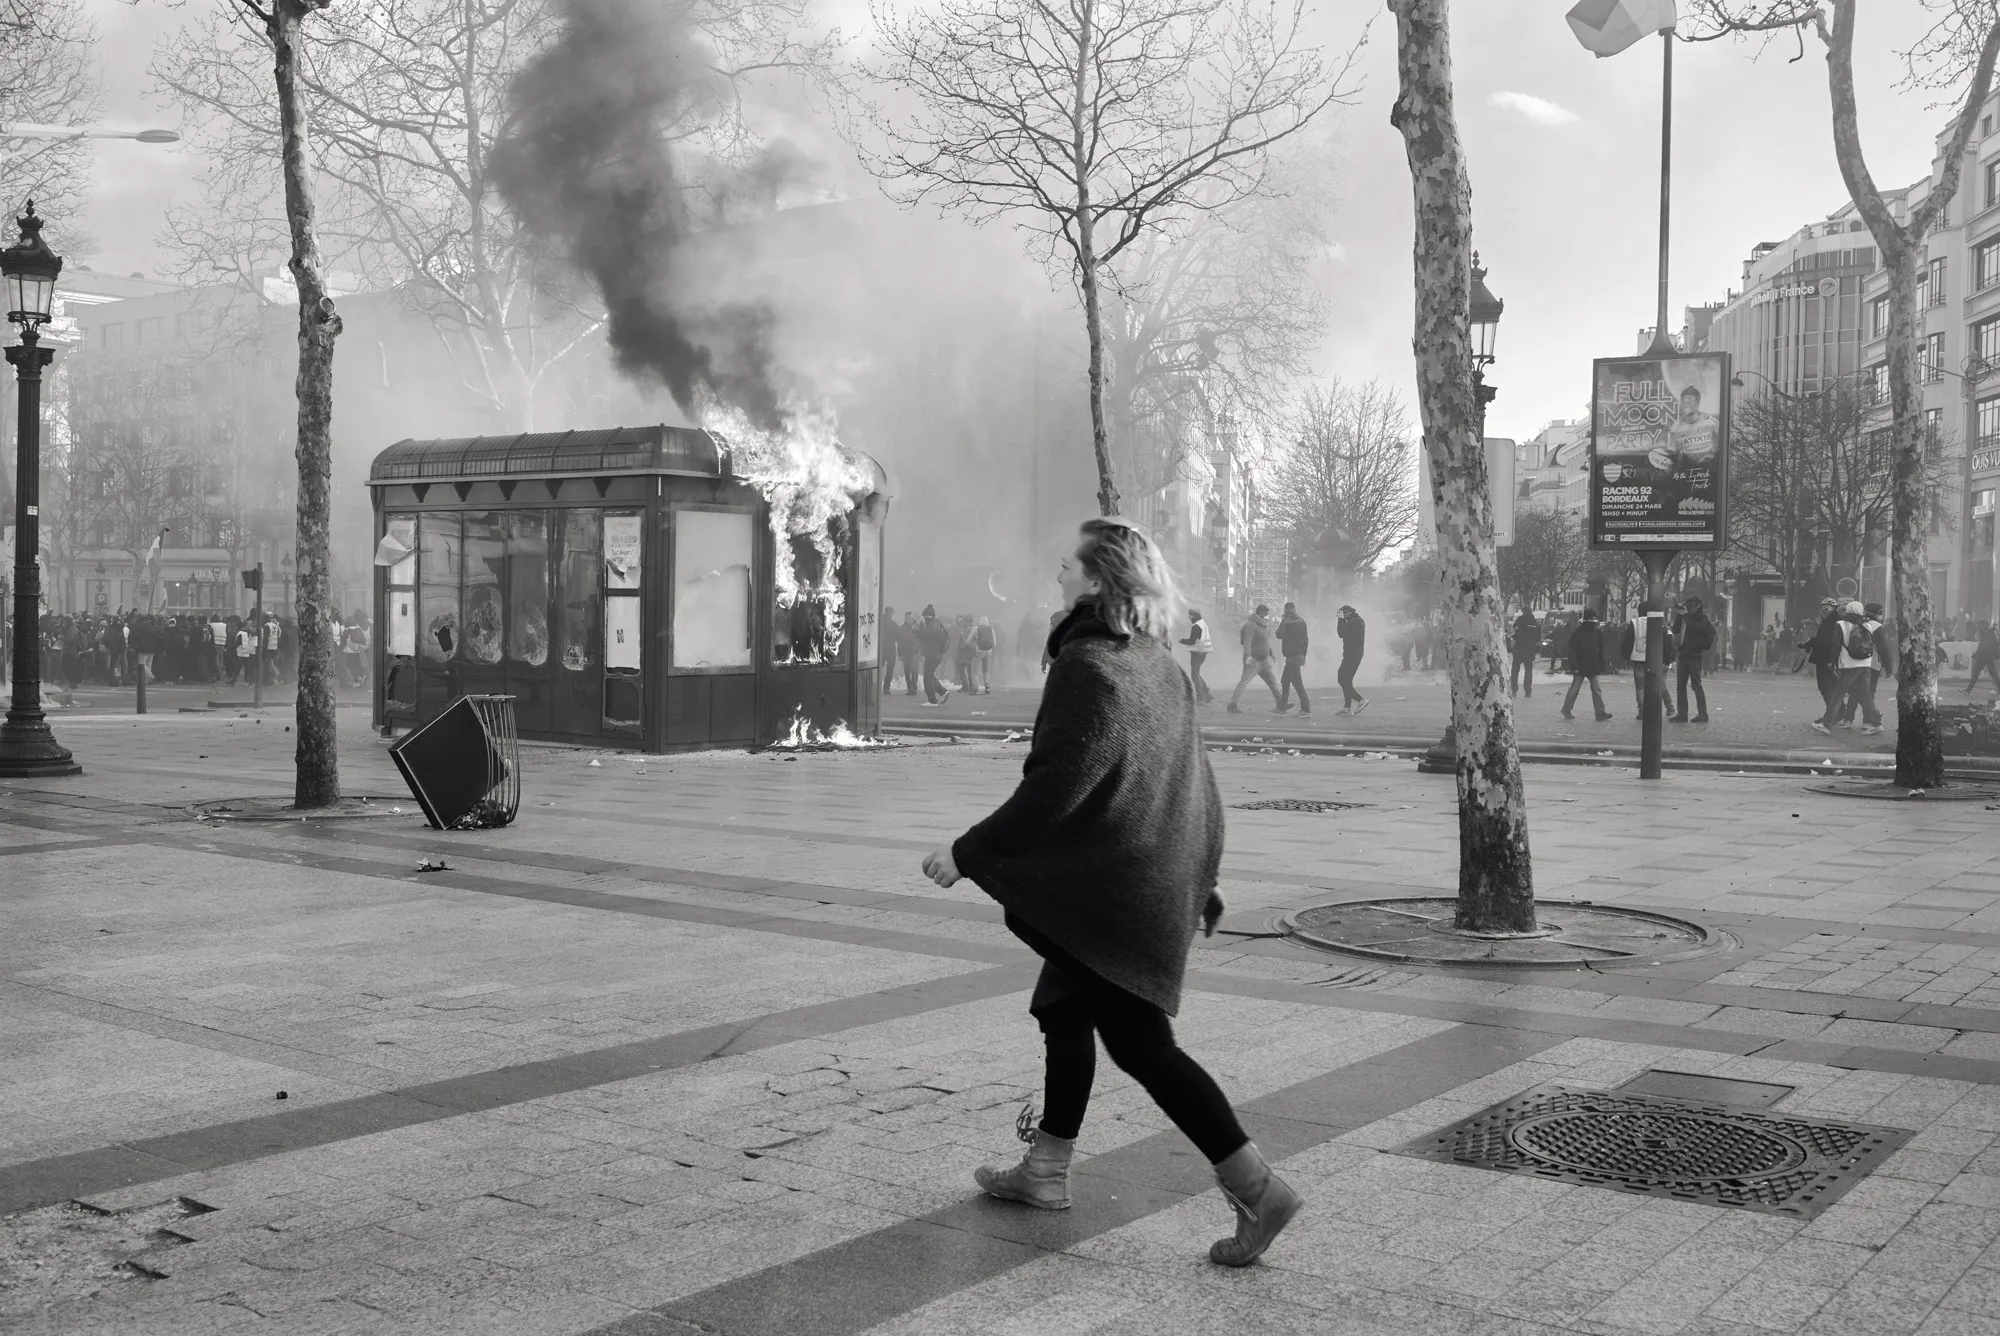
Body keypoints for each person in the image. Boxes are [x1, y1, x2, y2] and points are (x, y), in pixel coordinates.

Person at [922, 517, 1300, 1268]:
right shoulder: (1159, 663)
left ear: (1096, 581)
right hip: (1133, 880)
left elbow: (1060, 783)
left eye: (1068, 564)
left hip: (1111, 890)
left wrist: (967, 853)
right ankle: (1045, 1171)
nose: (1057, 572)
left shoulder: (1089, 664)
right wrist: (1204, 873)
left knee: (1141, 1044)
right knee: (1065, 1011)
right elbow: (1197, 783)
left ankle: (1258, 1189)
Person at [1825, 600, 1882, 734]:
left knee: (1839, 693)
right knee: (1866, 695)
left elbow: (1835, 645)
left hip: (1850, 665)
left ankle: (1826, 723)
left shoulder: (1841, 624)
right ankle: (1876, 723)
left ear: (1848, 610)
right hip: (1866, 665)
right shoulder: (1867, 625)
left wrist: (1832, 662)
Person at [1618, 611, 1678, 719]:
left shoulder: (1635, 622)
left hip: (1638, 658)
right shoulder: (1661, 623)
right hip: (1656, 658)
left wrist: (1626, 656)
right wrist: (1667, 660)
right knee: (1660, 684)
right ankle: (1669, 707)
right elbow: (1667, 642)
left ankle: (1642, 710)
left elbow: (1628, 640)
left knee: (1640, 686)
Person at [1560, 608, 1615, 722]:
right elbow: (1573, 650)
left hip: (1585, 665)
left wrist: (1574, 666)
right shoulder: (1589, 632)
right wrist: (1574, 665)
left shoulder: (1583, 632)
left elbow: (1599, 649)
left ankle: (1597, 712)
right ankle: (1597, 712)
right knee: (1586, 689)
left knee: (1582, 688)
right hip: (1585, 665)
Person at [1226, 604, 1281, 714]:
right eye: (1265, 614)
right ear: (1259, 614)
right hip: (1254, 660)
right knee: (1244, 682)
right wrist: (1248, 655)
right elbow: (1247, 641)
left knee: (1273, 682)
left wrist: (1271, 653)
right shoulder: (1251, 625)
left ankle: (1281, 704)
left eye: (1267, 614)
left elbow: (1264, 642)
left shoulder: (1264, 626)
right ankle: (1232, 705)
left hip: (1264, 661)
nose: (1267, 616)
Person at [1670, 596, 1715, 724]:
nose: (1688, 608)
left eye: (1690, 605)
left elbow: (1696, 628)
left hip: (1695, 656)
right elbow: (1675, 630)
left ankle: (1702, 713)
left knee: (1696, 685)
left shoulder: (1702, 618)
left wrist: (1685, 616)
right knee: (1680, 686)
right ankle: (1682, 713)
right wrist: (1679, 615)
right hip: (1683, 655)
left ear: (1697, 606)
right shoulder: (1685, 617)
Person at [1804, 599, 1846, 732]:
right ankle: (1837, 712)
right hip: (1824, 659)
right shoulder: (1828, 621)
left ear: (1834, 609)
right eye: (1823, 608)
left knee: (1828, 688)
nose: (1824, 610)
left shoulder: (1834, 622)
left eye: (1827, 608)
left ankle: (1832, 715)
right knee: (1826, 688)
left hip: (1828, 660)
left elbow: (1830, 642)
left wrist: (1813, 641)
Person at [1275, 601, 1311, 716]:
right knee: (1285, 681)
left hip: (1292, 656)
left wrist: (1282, 623)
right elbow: (1306, 639)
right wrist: (1303, 655)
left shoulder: (1287, 622)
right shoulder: (1301, 621)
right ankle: (1282, 706)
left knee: (1297, 683)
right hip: (1297, 655)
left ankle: (1305, 709)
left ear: (1286, 611)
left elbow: (1278, 635)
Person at [1335, 605, 1368, 715]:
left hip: (1353, 654)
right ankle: (1347, 707)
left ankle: (1361, 700)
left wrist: (1340, 620)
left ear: (1348, 612)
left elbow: (1341, 634)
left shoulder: (1353, 621)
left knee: (1342, 679)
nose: (1342, 615)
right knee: (1346, 680)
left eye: (1343, 613)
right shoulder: (1355, 620)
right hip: (1353, 653)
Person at [917, 605, 951, 705]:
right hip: (937, 654)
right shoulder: (937, 624)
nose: (923, 619)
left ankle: (932, 700)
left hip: (933, 655)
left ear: (928, 617)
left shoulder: (932, 625)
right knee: (930, 675)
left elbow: (924, 635)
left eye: (924, 617)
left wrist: (918, 628)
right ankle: (943, 692)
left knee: (927, 677)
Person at [1179, 609, 1214, 704]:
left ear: (1194, 616)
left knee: (1194, 675)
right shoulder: (1203, 623)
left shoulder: (1196, 626)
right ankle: (1207, 693)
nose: (1189, 617)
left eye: (1190, 615)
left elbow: (1191, 641)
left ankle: (1201, 698)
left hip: (1198, 652)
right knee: (1196, 673)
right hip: (1204, 651)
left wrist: (1181, 640)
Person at [1509, 608, 1540, 697]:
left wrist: (1516, 637)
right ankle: (1528, 691)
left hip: (1519, 649)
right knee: (1528, 672)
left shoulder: (1520, 620)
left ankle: (1514, 690)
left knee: (1515, 671)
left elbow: (1515, 633)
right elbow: (1538, 637)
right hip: (1529, 650)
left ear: (1523, 611)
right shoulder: (1534, 622)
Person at [1968, 621, 2000, 695]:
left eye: (1979, 627)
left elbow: (1985, 646)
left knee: (1977, 671)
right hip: (1988, 655)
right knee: (1992, 672)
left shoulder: (1989, 633)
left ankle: (1968, 690)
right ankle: (1968, 690)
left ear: (1983, 626)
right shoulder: (1990, 632)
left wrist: (1977, 653)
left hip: (1985, 655)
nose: (1978, 630)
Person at [896, 612, 922, 695]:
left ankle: (914, 688)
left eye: (911, 618)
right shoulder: (901, 628)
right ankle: (909, 688)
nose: (910, 620)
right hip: (905, 652)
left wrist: (921, 651)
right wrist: (899, 653)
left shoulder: (917, 628)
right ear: (905, 618)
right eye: (908, 618)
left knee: (914, 671)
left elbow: (921, 639)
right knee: (907, 671)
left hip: (915, 652)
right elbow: (899, 641)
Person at [972, 615, 997, 694]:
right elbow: (994, 644)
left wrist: (975, 645)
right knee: (986, 670)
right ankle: (987, 688)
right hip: (989, 652)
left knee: (975, 671)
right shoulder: (991, 629)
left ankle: (975, 688)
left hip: (979, 651)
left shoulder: (975, 628)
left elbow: (968, 641)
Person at [880, 605, 899, 694]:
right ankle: (886, 687)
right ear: (891, 613)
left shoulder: (879, 622)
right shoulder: (894, 624)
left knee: (878, 668)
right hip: (890, 650)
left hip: (880, 649)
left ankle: (876, 686)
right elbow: (898, 637)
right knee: (890, 669)